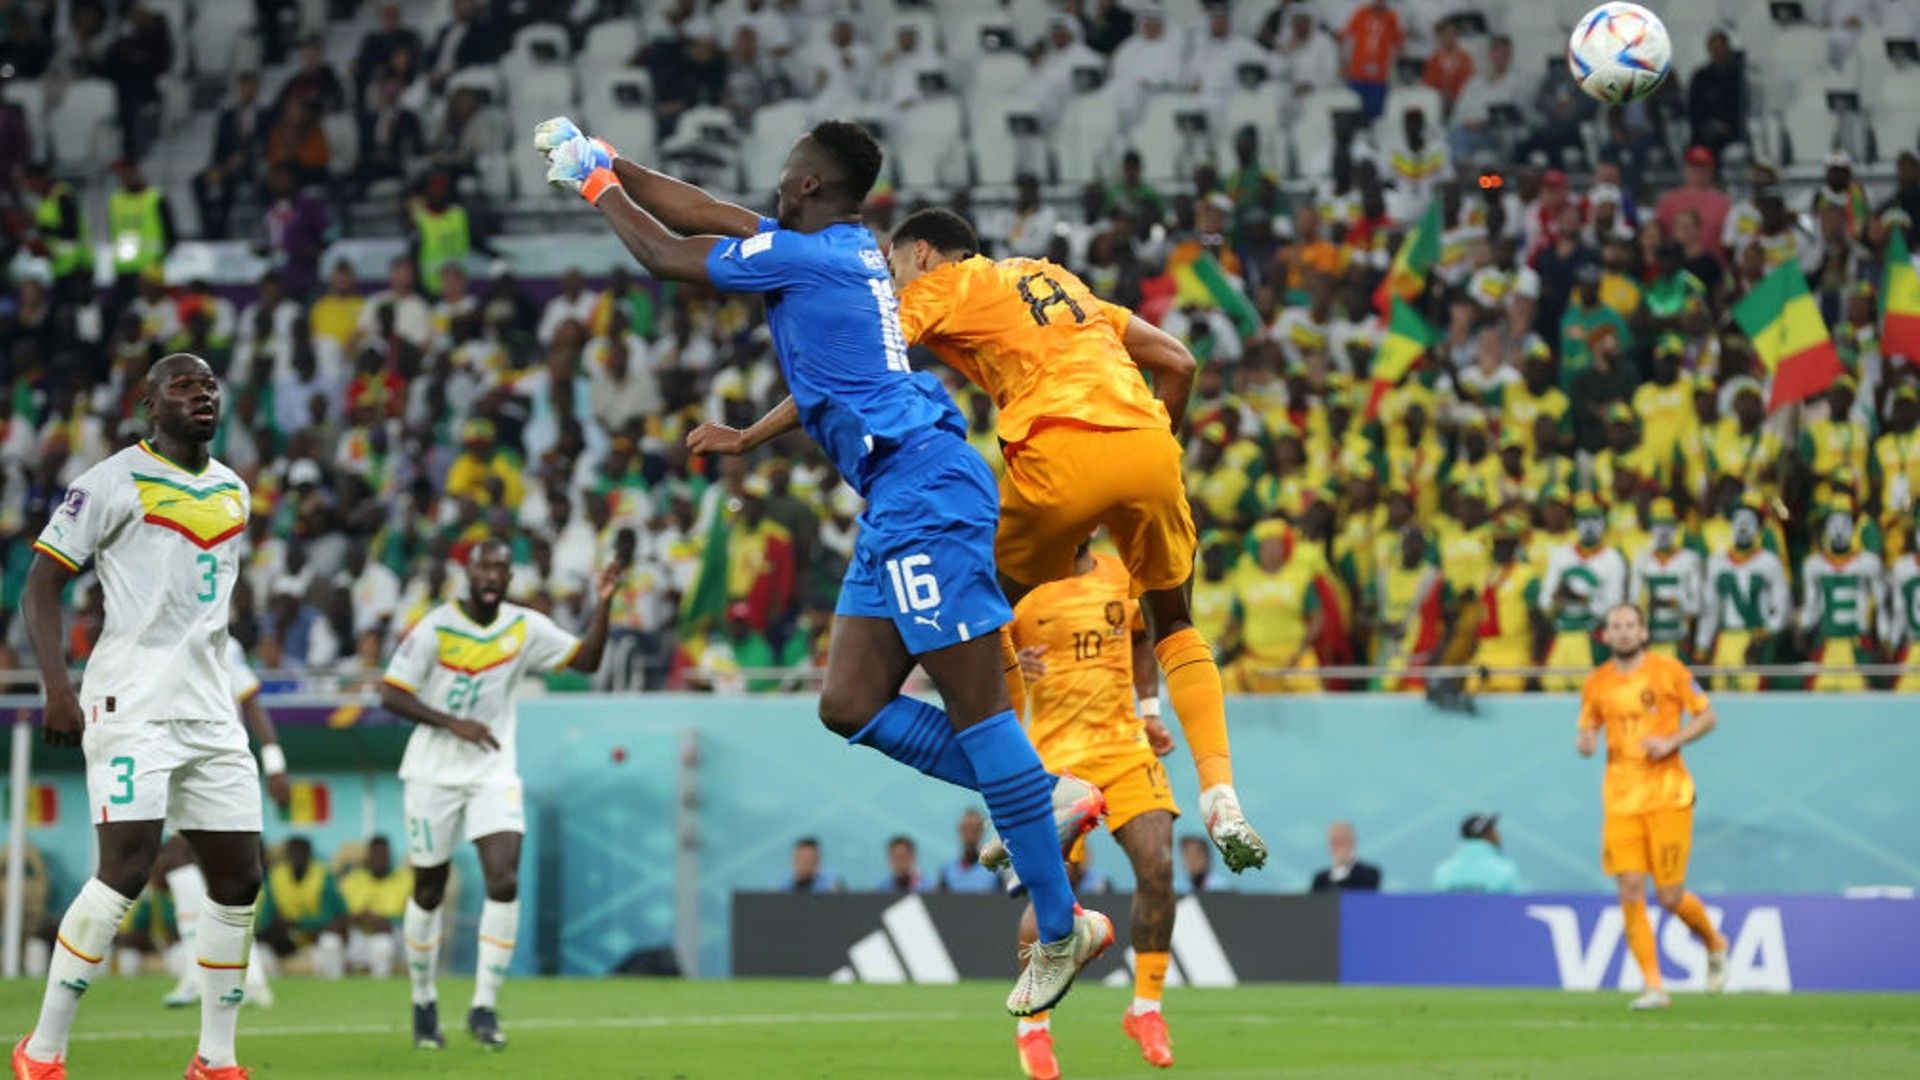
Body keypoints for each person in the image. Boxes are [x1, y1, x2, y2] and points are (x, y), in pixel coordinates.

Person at [534, 115, 1109, 1016]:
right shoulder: (843, 248)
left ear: (806, 185)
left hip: (924, 486)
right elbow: (706, 211)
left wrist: (592, 188)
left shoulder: (809, 258)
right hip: (896, 494)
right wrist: (609, 158)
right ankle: (1044, 797)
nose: (773, 183)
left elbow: (670, 253)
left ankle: (1061, 917)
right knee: (848, 703)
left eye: (786, 172)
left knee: (978, 710)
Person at [882, 207, 1268, 873]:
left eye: (894, 271)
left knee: (974, 616)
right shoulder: (1058, 283)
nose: (896, 284)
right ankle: (1222, 793)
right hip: (1147, 448)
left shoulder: (941, 284)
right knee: (1175, 622)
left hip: (1057, 453)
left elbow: (874, 359)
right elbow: (1178, 363)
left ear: (921, 254)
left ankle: (1028, 798)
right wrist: (1146, 462)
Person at [17, 353, 263, 1079]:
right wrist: (56, 689)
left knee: (239, 879)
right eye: (184, 386)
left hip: (210, 707)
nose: (202, 395)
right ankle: (43, 1051)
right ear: (147, 403)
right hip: (134, 701)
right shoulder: (111, 481)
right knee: (125, 870)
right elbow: (41, 585)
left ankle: (215, 1059)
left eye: (209, 386)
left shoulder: (233, 491)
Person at [378, 538, 620, 1049]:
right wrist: (452, 724)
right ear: (468, 572)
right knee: (428, 888)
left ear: (509, 578)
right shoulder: (436, 626)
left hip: (492, 769)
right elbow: (390, 692)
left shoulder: (524, 625)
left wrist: (604, 602)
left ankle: (484, 1006)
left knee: (505, 880)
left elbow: (588, 661)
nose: (492, 576)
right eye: (484, 567)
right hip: (432, 772)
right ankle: (424, 1000)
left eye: (501, 569)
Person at [1003, 541, 1181, 1075]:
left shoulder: (1120, 575)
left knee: (1159, 864)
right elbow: (977, 655)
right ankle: (1033, 1025)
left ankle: (1146, 1009)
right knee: (1055, 890)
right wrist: (1011, 663)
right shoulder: (1019, 582)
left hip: (1126, 750)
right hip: (1056, 763)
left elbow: (1143, 635)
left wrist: (1149, 710)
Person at [1578, 604, 1730, 1010]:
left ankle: (1714, 943)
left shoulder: (1670, 671)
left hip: (1667, 796)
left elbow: (1708, 716)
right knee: (1629, 890)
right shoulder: (1596, 683)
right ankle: (1653, 986)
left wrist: (1671, 742)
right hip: (1620, 801)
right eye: (1616, 627)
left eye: (1630, 625)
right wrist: (1586, 739)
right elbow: (1588, 722)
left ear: (1643, 632)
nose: (1624, 632)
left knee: (1669, 895)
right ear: (1606, 636)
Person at [258, 836, 349, 980]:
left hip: (315, 939)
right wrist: (275, 926)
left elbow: (329, 919)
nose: (297, 858)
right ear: (287, 856)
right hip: (286, 941)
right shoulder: (276, 876)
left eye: (302, 854)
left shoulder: (322, 875)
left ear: (309, 856)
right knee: (260, 953)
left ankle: (334, 991)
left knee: (331, 943)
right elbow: (266, 919)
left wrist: (297, 923)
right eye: (293, 854)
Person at [337, 836, 412, 979]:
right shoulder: (352, 880)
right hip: (358, 934)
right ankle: (332, 993)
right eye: (375, 855)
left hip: (393, 936)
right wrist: (357, 917)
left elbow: (412, 918)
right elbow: (340, 914)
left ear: (389, 857)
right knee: (330, 943)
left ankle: (381, 993)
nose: (379, 860)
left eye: (383, 855)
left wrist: (387, 921)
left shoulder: (406, 881)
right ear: (368, 856)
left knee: (382, 945)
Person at [1431, 813, 1524, 894]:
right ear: (1489, 835)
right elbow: (1518, 907)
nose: (1498, 835)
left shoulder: (1443, 871)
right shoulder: (1505, 870)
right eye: (1494, 830)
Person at [937, 809, 1000, 893]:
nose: (970, 834)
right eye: (966, 829)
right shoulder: (947, 870)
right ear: (959, 831)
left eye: (974, 829)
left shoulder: (995, 871)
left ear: (982, 831)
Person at [1311, 820, 1381, 892]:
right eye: (1333, 842)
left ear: (1353, 842)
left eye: (1341, 841)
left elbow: (1360, 899)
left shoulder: (1369, 874)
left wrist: (1340, 869)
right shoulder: (1320, 879)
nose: (1336, 846)